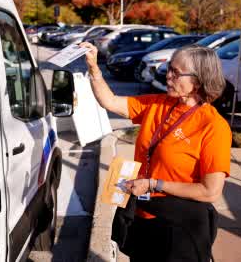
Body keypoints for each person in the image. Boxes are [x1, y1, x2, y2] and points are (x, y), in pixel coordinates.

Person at [79, 42, 230, 260]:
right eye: (169, 68)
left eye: (175, 73)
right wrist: (93, 68)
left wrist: (154, 184)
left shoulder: (213, 126)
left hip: (179, 226)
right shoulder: (159, 103)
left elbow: (210, 191)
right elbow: (110, 102)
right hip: (143, 214)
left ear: (197, 81)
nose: (167, 76)